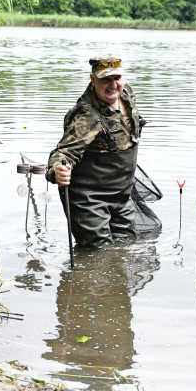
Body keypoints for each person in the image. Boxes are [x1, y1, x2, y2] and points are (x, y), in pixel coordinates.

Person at [46, 54, 146, 248]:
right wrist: (58, 170)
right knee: (98, 256)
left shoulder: (126, 94)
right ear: (93, 79)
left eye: (116, 78)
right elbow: (62, 153)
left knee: (125, 249)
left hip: (122, 196)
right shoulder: (86, 116)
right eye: (105, 79)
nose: (113, 85)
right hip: (89, 201)